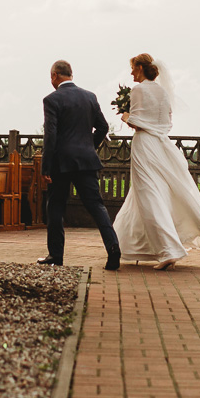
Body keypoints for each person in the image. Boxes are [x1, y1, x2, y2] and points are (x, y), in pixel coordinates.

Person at [116, 53, 200, 270]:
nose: (131, 72)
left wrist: (125, 117)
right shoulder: (162, 91)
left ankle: (169, 249)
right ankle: (144, 246)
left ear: (141, 68)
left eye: (133, 68)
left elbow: (137, 121)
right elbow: (166, 122)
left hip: (144, 146)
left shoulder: (138, 90)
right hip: (161, 144)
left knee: (149, 195)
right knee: (155, 193)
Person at [39, 60, 122, 270]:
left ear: (55, 75)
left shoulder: (51, 100)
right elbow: (103, 127)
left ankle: (55, 256)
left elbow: (50, 135)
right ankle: (113, 248)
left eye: (51, 77)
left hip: (60, 162)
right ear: (71, 74)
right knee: (96, 206)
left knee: (56, 206)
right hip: (86, 160)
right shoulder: (90, 97)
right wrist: (89, 146)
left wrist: (46, 166)